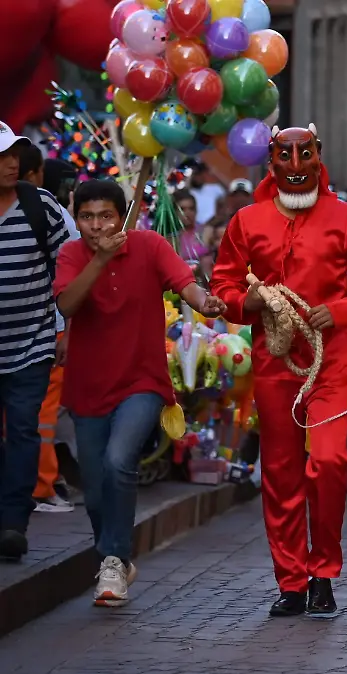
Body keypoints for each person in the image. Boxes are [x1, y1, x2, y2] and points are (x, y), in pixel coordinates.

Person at [211, 125, 347, 617]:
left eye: (305, 155)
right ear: (271, 162)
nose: (296, 166)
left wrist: (341, 311)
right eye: (285, 157)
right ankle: (292, 581)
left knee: (330, 462)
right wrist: (248, 302)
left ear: (318, 157)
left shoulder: (346, 216)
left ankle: (324, 571)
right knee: (280, 472)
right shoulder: (247, 221)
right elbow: (224, 285)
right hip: (274, 362)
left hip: (331, 361)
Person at [54, 179, 226, 605]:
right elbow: (67, 304)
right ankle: (113, 557)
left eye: (106, 216)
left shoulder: (149, 246)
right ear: (76, 218)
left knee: (119, 460)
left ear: (123, 217)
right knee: (95, 487)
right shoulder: (71, 254)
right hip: (88, 385)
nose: (97, 225)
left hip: (142, 380)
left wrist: (203, 302)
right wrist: (100, 259)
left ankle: (113, 560)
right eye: (87, 217)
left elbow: (184, 282)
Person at [0, 121, 71, 561]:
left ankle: (13, 523)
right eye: (2, 157)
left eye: (14, 155)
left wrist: (66, 330)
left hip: (32, 344)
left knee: (24, 429)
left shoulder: (39, 205)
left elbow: (68, 269)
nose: (12, 163)